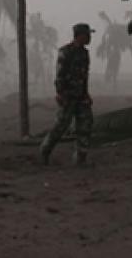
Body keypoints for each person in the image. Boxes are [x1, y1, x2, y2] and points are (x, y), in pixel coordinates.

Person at [40, 22, 94, 166]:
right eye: (87, 35)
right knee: (61, 126)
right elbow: (59, 75)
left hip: (81, 96)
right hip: (68, 96)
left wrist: (86, 93)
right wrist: (60, 94)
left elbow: (84, 76)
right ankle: (45, 151)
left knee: (85, 125)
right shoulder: (65, 52)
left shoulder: (84, 53)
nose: (89, 38)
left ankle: (80, 158)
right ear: (80, 35)